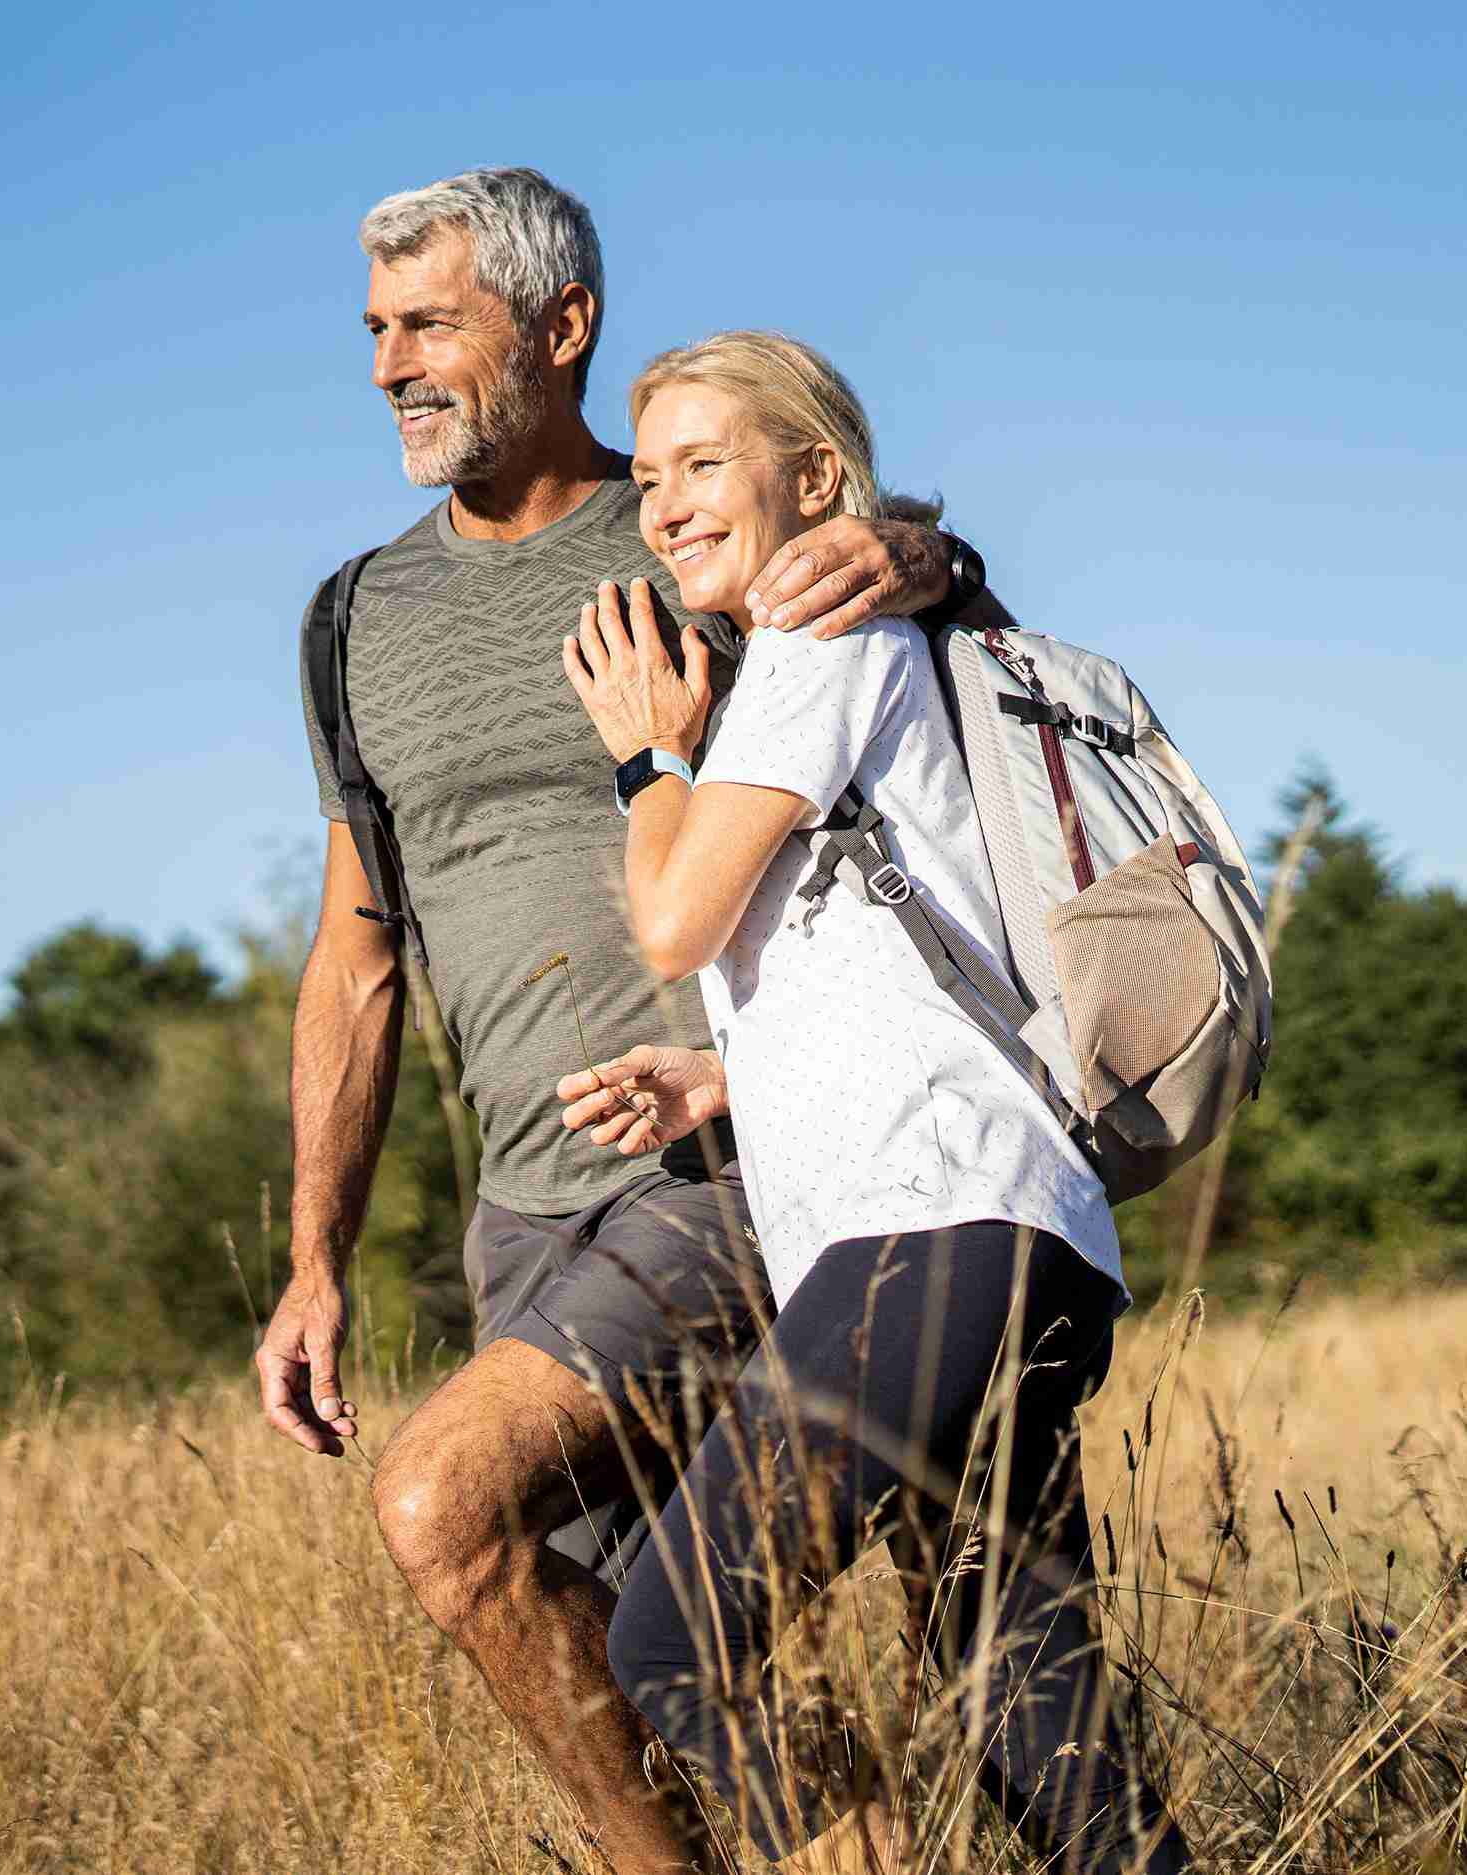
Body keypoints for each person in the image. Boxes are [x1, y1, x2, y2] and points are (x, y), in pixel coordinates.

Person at [253, 168, 976, 1874]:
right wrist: (313, 1258)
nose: (388, 366)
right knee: (669, 1652)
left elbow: (908, 609)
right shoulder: (353, 617)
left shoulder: (676, 530)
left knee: (439, 1505)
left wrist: (924, 548)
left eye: (433, 322)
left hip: (719, 1162)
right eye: (374, 330)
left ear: (563, 327)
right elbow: (358, 952)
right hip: (523, 1204)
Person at [559, 330, 1191, 1872]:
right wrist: (723, 1075)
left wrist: (650, 756)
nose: (666, 506)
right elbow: (889, 944)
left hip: (938, 1230)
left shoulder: (818, 640)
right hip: (1006, 1231)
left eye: (707, 464)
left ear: (816, 478)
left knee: (673, 1643)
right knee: (1041, 1739)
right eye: (648, 479)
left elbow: (672, 923)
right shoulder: (849, 651)